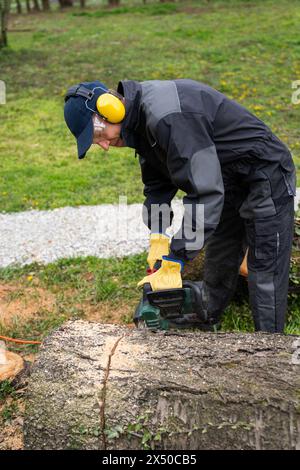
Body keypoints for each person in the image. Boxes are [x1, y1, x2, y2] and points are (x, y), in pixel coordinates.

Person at [64, 79, 296, 333]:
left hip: (264, 173)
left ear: (109, 109)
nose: (105, 145)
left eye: (98, 134)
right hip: (226, 177)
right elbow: (157, 187)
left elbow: (205, 193)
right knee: (221, 254)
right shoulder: (140, 124)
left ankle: (270, 348)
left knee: (265, 266)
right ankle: (206, 315)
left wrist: (177, 257)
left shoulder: (167, 117)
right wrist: (158, 236)